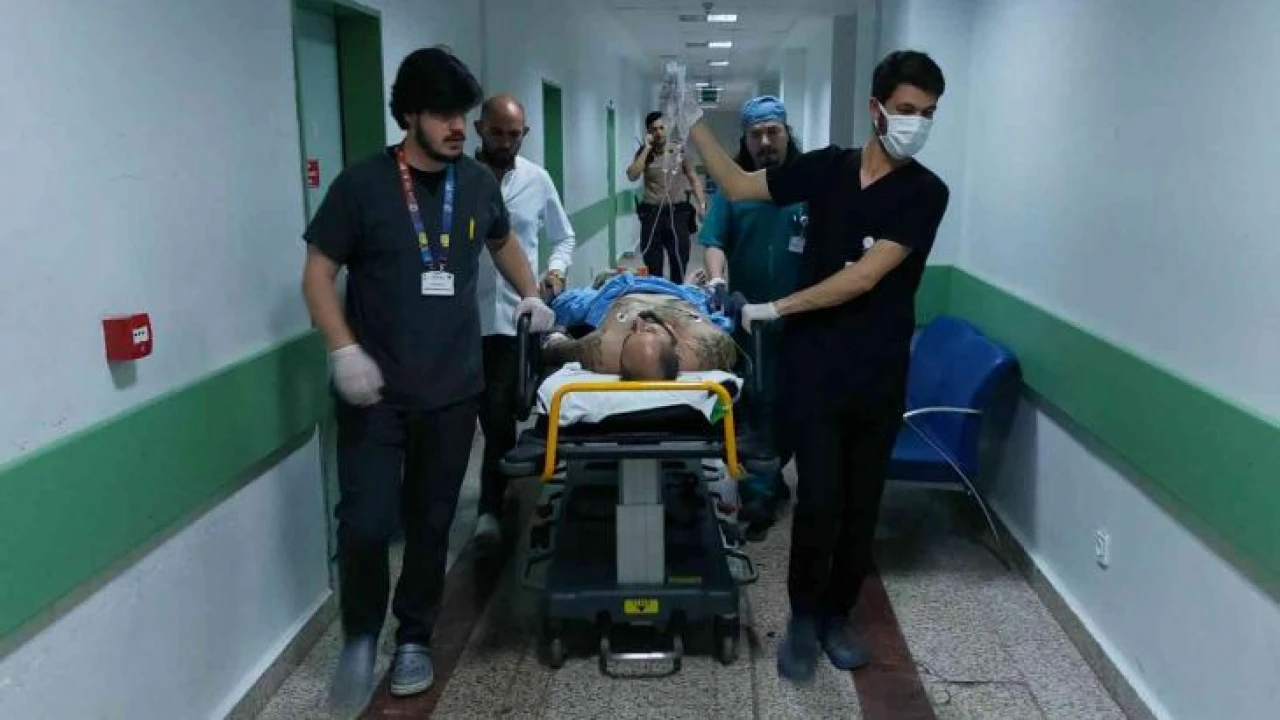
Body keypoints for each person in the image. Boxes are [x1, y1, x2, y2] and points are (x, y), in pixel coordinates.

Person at [673, 50, 950, 682]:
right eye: (907, 109)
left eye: (929, 113)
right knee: (820, 499)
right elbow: (738, 186)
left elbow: (864, 277)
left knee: (861, 504)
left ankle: (837, 615)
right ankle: (803, 617)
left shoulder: (926, 193)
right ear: (876, 109)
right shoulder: (828, 169)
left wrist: (775, 307)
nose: (918, 123)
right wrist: (693, 126)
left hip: (877, 371)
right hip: (816, 367)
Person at [300, 46, 556, 712]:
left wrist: (530, 292)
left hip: (452, 390)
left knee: (431, 522)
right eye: (444, 115)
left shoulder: (476, 183)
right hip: (375, 395)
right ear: (410, 114)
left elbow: (501, 240)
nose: (458, 128)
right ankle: (361, 634)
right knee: (365, 523)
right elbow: (318, 274)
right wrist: (343, 350)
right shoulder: (361, 187)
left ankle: (414, 636)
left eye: (463, 116)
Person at [471, 93, 576, 551]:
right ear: (479, 130)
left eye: (514, 135)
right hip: (462, 322)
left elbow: (564, 236)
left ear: (524, 134)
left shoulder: (536, 179)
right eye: (496, 133)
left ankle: (492, 508)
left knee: (501, 414)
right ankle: (490, 504)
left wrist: (555, 273)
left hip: (516, 317)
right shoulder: (458, 179)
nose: (505, 142)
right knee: (472, 417)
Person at [698, 95, 805, 541]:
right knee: (753, 401)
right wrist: (717, 279)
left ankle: (773, 475)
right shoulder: (734, 189)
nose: (764, 142)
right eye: (755, 134)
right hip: (747, 319)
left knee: (792, 406)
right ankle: (758, 489)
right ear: (744, 140)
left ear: (786, 133)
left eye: (772, 132)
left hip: (801, 319)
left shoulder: (809, 184)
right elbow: (714, 240)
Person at [542, 272, 738, 378]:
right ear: (674, 340)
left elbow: (556, 349)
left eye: (630, 334)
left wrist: (555, 338)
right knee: (698, 294)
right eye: (650, 330)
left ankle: (604, 280)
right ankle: (688, 284)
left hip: (622, 291)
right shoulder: (704, 347)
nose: (638, 323)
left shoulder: (605, 351)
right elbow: (726, 341)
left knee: (564, 304)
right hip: (678, 295)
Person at [625, 111, 707, 281]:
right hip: (651, 214)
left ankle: (676, 292)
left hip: (676, 213)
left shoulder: (679, 151)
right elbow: (632, 175)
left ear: (667, 128)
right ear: (648, 132)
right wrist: (646, 149)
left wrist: (701, 204)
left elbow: (693, 178)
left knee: (679, 259)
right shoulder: (644, 154)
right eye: (654, 129)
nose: (659, 132)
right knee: (652, 262)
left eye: (661, 128)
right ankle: (658, 293)